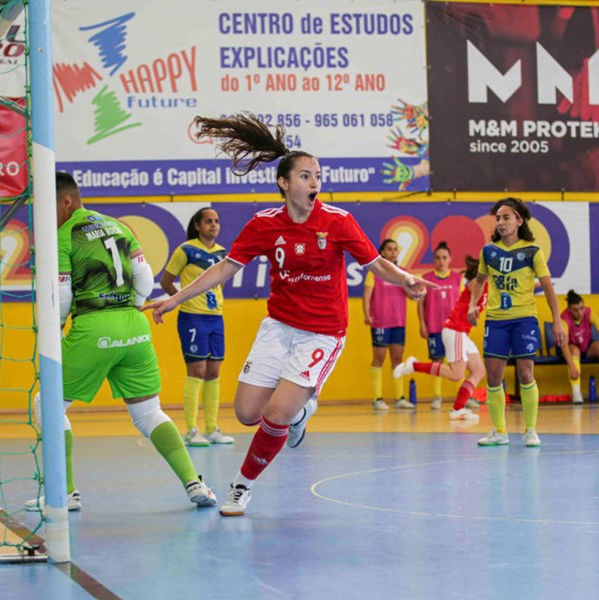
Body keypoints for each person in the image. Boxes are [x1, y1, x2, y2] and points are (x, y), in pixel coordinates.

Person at [143, 113, 433, 517]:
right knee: (247, 414)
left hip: (322, 333)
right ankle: (303, 409)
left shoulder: (338, 221)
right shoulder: (264, 224)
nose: (315, 183)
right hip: (278, 328)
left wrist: (404, 279)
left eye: (318, 176)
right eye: (306, 176)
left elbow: (374, 263)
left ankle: (241, 486)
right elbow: (225, 267)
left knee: (276, 414)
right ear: (284, 183)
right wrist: (174, 299)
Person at [27, 172, 216, 513]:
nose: (43, 213)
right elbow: (145, 278)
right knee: (148, 413)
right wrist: (129, 306)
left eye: (47, 205)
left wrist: (54, 331)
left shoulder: (63, 236)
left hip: (93, 326)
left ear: (66, 201)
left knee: (47, 405)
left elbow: (63, 294)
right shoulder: (118, 226)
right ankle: (195, 483)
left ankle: (64, 493)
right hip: (135, 327)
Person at [466, 198, 566, 447]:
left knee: (525, 373)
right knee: (493, 377)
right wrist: (472, 305)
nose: (500, 222)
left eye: (506, 217)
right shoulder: (489, 251)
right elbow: (479, 280)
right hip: (496, 320)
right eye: (498, 218)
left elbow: (548, 288)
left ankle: (530, 430)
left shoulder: (533, 252)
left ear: (519, 220)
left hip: (524, 319)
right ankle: (499, 432)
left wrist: (557, 321)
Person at [160, 208, 235, 446]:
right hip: (192, 318)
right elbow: (165, 280)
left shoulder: (223, 253)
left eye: (217, 221)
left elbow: (220, 283)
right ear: (197, 225)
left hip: (216, 318)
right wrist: (182, 299)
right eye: (208, 221)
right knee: (197, 371)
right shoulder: (186, 250)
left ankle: (212, 428)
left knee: (214, 372)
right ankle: (192, 430)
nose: (214, 225)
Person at [394, 254, 487, 421]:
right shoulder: (477, 283)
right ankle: (414, 365)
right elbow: (474, 288)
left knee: (478, 370)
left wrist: (541, 283)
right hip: (455, 329)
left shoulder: (492, 285)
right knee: (456, 374)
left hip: (462, 333)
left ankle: (458, 409)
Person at [406, 242, 463, 410]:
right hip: (434, 327)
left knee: (457, 361)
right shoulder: (427, 279)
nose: (441, 261)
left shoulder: (457, 279)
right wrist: (422, 324)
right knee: (437, 361)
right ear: (434, 260)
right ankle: (437, 397)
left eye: (444, 257)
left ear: (450, 259)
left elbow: (462, 303)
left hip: (454, 328)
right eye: (438, 258)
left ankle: (462, 397)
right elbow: (420, 303)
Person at [363, 239, 414, 411]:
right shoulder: (374, 273)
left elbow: (411, 295)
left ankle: (399, 398)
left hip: (398, 322)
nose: (393, 252)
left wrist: (405, 282)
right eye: (389, 249)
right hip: (380, 322)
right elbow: (367, 295)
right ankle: (377, 399)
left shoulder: (403, 273)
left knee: (397, 360)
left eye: (395, 250)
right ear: (382, 253)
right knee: (379, 359)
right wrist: (367, 314)